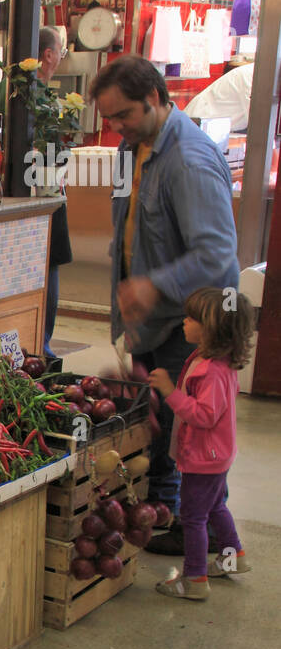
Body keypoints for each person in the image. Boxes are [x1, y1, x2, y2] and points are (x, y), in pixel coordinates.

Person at [90, 55, 239, 556]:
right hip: (150, 321)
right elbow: (129, 231)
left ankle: (211, 530)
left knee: (191, 429)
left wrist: (152, 286)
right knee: (158, 423)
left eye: (124, 115)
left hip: (186, 321)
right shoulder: (132, 150)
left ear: (154, 98)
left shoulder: (190, 160)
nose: (116, 128)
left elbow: (217, 253)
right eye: (109, 119)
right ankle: (170, 512)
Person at [146, 287, 251, 600]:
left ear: (213, 329)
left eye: (192, 319)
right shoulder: (213, 358)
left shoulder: (212, 371)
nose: (184, 323)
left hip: (204, 458)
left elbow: (204, 415)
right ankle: (233, 557)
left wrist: (169, 391)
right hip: (217, 455)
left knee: (193, 517)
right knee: (216, 505)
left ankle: (194, 579)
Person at [0, 26, 72, 358]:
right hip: (39, 198)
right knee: (48, 266)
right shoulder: (37, 95)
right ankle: (41, 347)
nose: (59, 61)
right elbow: (51, 152)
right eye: (60, 54)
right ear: (48, 55)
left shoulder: (0, 88)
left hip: (4, 191)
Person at [184, 62, 253, 133]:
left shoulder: (254, 73)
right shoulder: (250, 75)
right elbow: (256, 120)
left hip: (214, 127)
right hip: (201, 122)